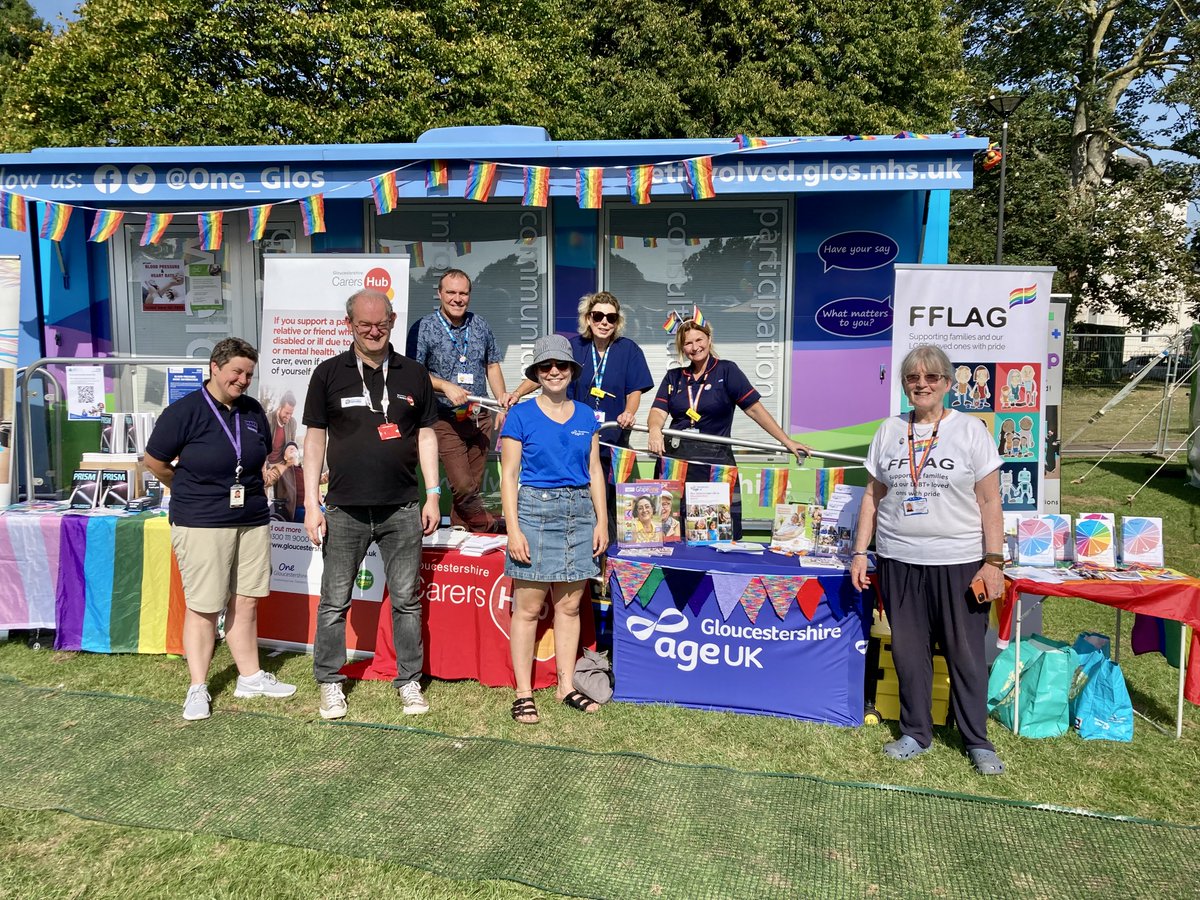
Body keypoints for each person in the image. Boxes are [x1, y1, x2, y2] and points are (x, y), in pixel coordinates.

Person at [849, 344, 1006, 776]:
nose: (922, 385)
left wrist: (994, 560)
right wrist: (861, 552)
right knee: (908, 652)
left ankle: (977, 740)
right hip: (899, 559)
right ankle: (916, 732)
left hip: (959, 559)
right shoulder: (888, 430)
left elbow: (991, 499)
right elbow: (872, 498)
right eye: (913, 379)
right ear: (904, 385)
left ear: (948, 383)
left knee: (966, 655)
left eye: (932, 378)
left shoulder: (971, 430)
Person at [303, 289, 442, 720]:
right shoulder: (328, 373)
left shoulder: (415, 373)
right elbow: (314, 439)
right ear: (349, 324)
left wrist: (432, 493)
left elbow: (426, 435)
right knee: (334, 601)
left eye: (381, 323)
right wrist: (311, 502)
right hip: (343, 509)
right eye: (364, 325)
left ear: (393, 320)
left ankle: (410, 681)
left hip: (401, 507)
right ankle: (330, 680)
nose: (373, 331)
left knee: (406, 600)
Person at [145, 337, 297, 721]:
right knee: (205, 606)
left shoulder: (252, 411)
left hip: (250, 518)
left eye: (248, 373)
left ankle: (249, 676)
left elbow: (259, 458)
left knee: (246, 599)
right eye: (236, 372)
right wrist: (188, 488)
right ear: (214, 367)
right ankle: (198, 686)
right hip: (201, 521)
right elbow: (156, 462)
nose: (243, 380)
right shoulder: (184, 412)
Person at [500, 334, 607, 725]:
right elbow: (508, 475)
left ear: (572, 371)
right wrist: (513, 529)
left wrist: (602, 521)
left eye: (561, 366)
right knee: (527, 610)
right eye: (546, 367)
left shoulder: (586, 416)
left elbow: (594, 470)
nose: (554, 372)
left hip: (580, 515)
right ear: (537, 373)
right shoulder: (521, 415)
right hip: (533, 512)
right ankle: (524, 693)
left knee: (568, 606)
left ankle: (566, 686)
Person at [646, 317, 810, 538]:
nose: (695, 347)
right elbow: (658, 412)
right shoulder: (674, 377)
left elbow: (754, 410)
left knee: (717, 533)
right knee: (672, 531)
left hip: (716, 465)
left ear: (709, 339)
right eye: (688, 343)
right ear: (681, 348)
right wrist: (655, 430)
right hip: (675, 463)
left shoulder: (727, 370)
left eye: (699, 340)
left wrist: (786, 441)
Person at [514, 292, 653, 540]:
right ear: (588, 318)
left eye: (611, 317)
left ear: (617, 321)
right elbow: (545, 373)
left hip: (613, 443)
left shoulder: (628, 349)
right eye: (598, 316)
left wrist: (629, 412)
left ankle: (609, 569)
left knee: (615, 510)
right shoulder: (575, 347)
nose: (604, 322)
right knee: (583, 508)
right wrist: (515, 394)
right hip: (578, 444)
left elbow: (634, 390)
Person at [406, 269, 512, 533]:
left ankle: (463, 537)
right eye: (451, 292)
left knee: (471, 487)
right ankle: (489, 525)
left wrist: (501, 401)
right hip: (443, 418)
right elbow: (412, 374)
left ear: (469, 295)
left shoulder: (481, 325)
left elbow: (492, 365)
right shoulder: (423, 328)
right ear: (439, 294)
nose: (457, 298)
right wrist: (444, 385)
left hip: (479, 416)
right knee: (462, 484)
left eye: (463, 293)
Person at [266, 391, 297, 464]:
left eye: (291, 414)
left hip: (281, 464)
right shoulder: (267, 419)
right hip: (265, 464)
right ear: (280, 407)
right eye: (286, 413)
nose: (288, 417)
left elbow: (292, 444)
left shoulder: (292, 423)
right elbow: (260, 447)